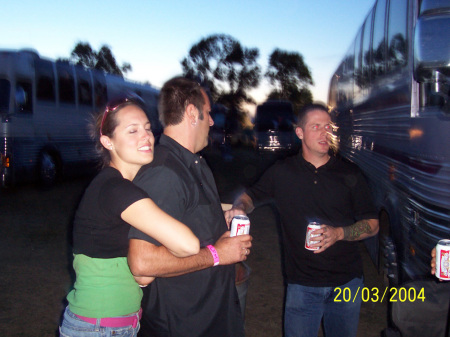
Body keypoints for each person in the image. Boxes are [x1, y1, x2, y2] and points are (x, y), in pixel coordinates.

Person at [227, 103, 379, 337]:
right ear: (300, 133)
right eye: (315, 126)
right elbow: (251, 196)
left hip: (347, 283)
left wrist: (339, 233)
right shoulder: (282, 172)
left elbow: (373, 225)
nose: (324, 132)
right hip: (302, 285)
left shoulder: (350, 173)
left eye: (327, 126)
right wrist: (239, 207)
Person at [59, 95, 200, 337]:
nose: (146, 136)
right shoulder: (115, 189)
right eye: (132, 131)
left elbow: (142, 274)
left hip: (113, 326)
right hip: (97, 328)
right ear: (108, 142)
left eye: (147, 128)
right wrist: (216, 254)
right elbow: (188, 245)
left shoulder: (117, 188)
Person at [128, 77, 252, 337]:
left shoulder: (195, 163)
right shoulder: (164, 171)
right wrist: (218, 255)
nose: (212, 121)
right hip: (185, 324)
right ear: (192, 113)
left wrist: (225, 214)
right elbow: (142, 261)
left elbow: (187, 212)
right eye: (208, 114)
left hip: (213, 316)